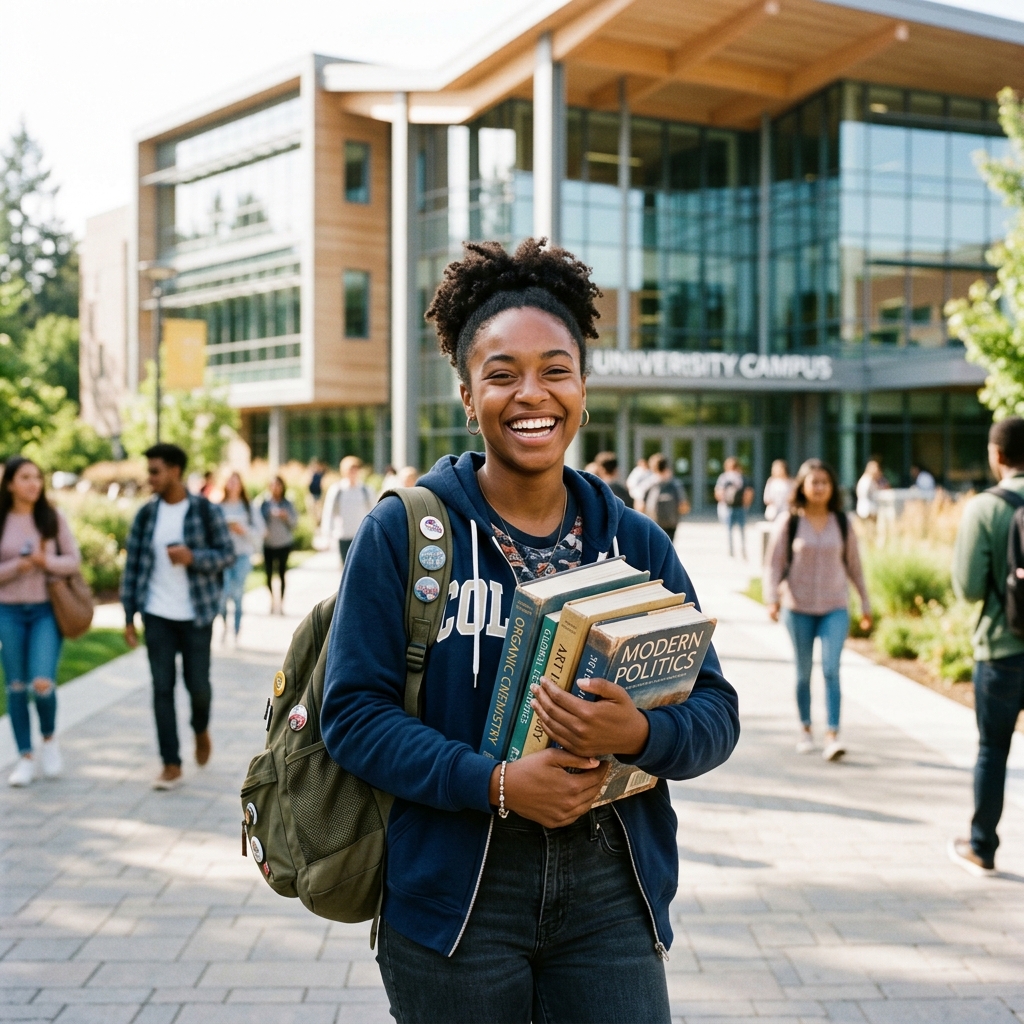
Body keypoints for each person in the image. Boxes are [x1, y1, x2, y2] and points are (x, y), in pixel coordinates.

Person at [320, 238, 740, 1024]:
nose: (531, 394)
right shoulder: (406, 533)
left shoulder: (637, 543)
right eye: (502, 373)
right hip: (456, 896)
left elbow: (716, 712)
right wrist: (498, 783)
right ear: (465, 391)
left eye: (555, 369)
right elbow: (353, 715)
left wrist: (641, 732)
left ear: (583, 387)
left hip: (611, 891)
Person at [121, 443, 235, 790]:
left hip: (197, 614)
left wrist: (193, 557)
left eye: (155, 471)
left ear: (174, 471)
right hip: (157, 614)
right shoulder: (146, 514)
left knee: (198, 687)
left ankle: (200, 729)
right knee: (162, 688)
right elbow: (133, 567)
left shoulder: (204, 510)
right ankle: (171, 763)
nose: (149, 478)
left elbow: (227, 554)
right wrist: (129, 615)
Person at [948, 417, 1024, 876]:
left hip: (1000, 650)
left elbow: (969, 587)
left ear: (996, 454)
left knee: (993, 750)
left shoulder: (985, 508)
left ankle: (982, 846)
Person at [763, 458, 872, 761]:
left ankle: (833, 734)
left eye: (825, 482)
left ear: (832, 487)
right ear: (803, 486)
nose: (820, 487)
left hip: (835, 607)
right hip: (797, 608)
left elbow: (855, 567)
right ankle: (806, 728)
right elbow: (773, 565)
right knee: (802, 673)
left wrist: (865, 602)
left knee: (831, 669)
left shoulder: (842, 522)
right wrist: (771, 598)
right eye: (814, 482)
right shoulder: (790, 521)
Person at [0, 457, 81, 787]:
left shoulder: (52, 518)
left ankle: (48, 740)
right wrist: (15, 568)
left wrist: (43, 561)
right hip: (8, 612)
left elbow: (73, 561)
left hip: (46, 611)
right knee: (16, 686)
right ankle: (25, 757)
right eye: (25, 477)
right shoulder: (2, 520)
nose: (34, 483)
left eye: (38, 476)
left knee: (42, 683)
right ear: (10, 484)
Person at [216, 472, 265, 644]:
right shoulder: (218, 507)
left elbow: (261, 532)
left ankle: (236, 630)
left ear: (241, 484)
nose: (233, 484)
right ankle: (223, 623)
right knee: (222, 594)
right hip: (223, 556)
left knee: (237, 594)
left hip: (243, 556)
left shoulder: (249, 507)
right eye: (230, 481)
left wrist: (243, 530)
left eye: (236, 481)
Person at [320, 456, 374, 567]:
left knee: (360, 568)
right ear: (344, 471)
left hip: (361, 536)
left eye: (355, 469)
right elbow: (329, 513)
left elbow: (373, 513)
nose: (353, 473)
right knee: (346, 567)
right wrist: (326, 536)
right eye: (350, 470)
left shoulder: (366, 490)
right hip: (343, 536)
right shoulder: (337, 490)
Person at [260, 476, 298, 615]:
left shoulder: (288, 504)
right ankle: (272, 599)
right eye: (273, 485)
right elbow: (258, 523)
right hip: (268, 544)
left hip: (284, 544)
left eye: (278, 485)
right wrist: (268, 514)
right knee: (268, 574)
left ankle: (281, 603)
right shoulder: (263, 503)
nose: (275, 487)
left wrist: (285, 516)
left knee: (282, 574)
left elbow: (295, 523)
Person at [639, 453, 690, 538]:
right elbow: (683, 505)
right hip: (671, 522)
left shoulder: (649, 484)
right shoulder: (675, 484)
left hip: (653, 522)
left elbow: (640, 506)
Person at [715, 456, 754, 559]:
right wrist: (746, 504)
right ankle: (742, 549)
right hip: (740, 507)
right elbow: (748, 492)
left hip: (729, 507)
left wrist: (723, 502)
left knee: (729, 530)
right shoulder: (742, 477)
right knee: (741, 530)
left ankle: (731, 551)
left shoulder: (724, 478)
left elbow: (718, 492)